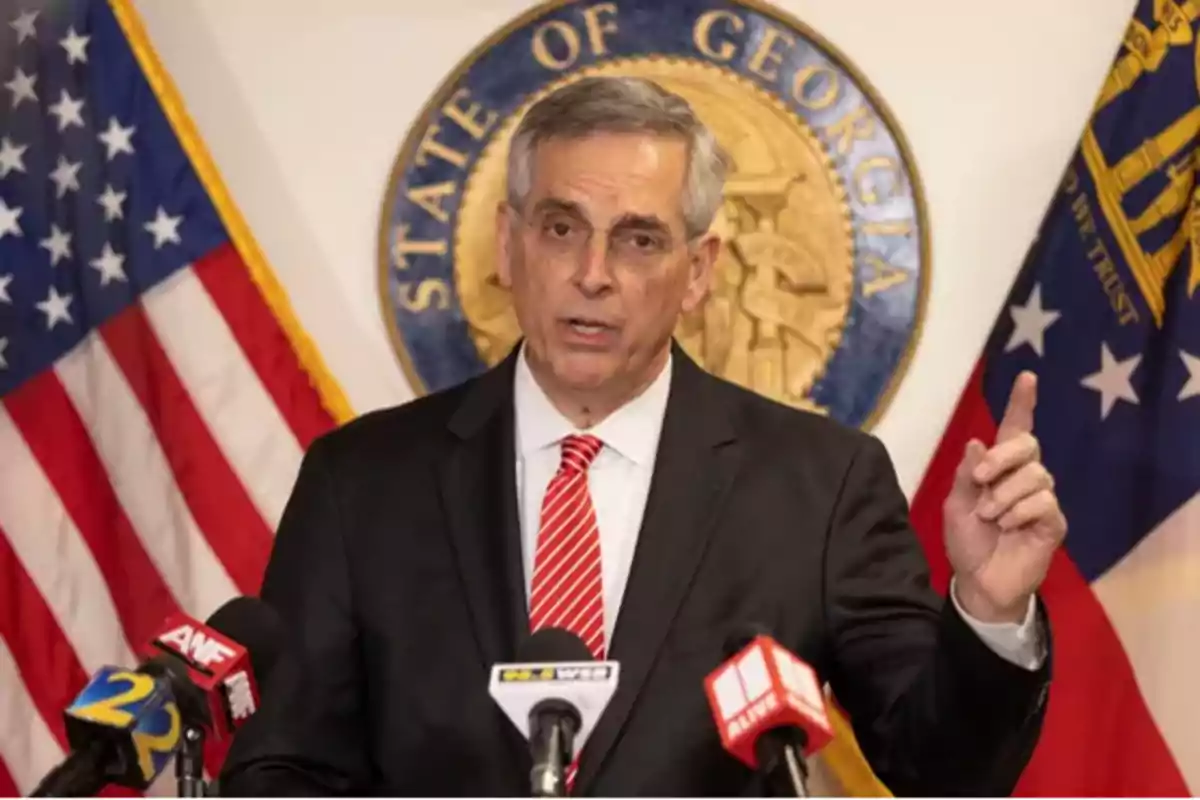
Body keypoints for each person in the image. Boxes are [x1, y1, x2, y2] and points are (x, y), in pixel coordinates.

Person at [220, 76, 1064, 797]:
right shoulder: (360, 482)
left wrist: (990, 610)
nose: (593, 273)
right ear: (509, 247)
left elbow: (941, 770)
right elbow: (282, 767)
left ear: (698, 271)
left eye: (639, 239)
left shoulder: (817, 485)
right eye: (560, 228)